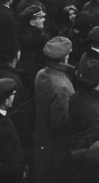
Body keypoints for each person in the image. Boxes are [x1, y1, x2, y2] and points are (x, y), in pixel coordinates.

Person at [32, 37, 75, 183]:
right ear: (65, 57)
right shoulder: (62, 85)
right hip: (55, 146)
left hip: (40, 138)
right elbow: (60, 124)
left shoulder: (41, 74)